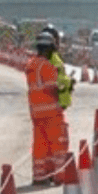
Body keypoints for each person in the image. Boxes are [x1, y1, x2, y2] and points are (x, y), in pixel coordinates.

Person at [25, 32, 69, 185]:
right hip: (51, 111)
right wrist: (66, 87)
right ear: (49, 48)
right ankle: (59, 175)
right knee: (58, 144)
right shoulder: (46, 66)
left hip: (36, 112)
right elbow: (52, 88)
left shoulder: (31, 64)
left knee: (40, 145)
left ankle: (40, 175)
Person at [41, 25, 74, 111]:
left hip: (41, 107)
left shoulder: (36, 60)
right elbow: (59, 82)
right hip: (53, 107)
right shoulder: (54, 59)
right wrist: (69, 82)